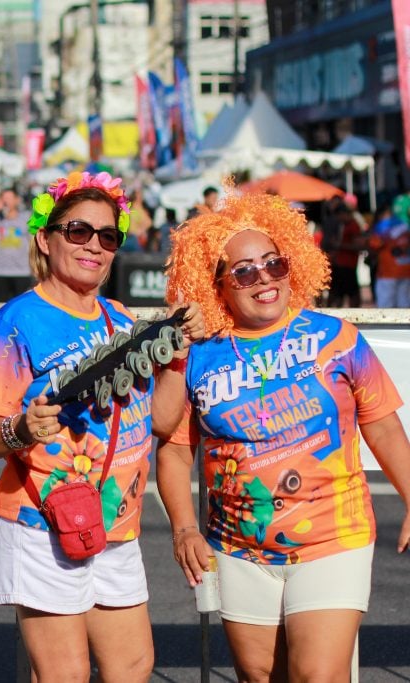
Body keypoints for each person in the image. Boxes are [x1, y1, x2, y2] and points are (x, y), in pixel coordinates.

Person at [157, 190, 410, 681]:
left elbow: (381, 423)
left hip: (333, 537)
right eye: (245, 271)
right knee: (259, 677)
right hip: (236, 548)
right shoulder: (199, 355)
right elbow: (174, 449)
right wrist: (184, 528)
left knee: (317, 675)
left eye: (274, 264)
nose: (264, 279)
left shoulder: (338, 338)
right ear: (218, 286)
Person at [0, 170, 204, 681]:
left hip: (116, 523)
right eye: (78, 231)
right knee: (64, 674)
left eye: (108, 235)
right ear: (45, 240)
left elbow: (160, 420)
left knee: (134, 666)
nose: (95, 245)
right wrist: (21, 430)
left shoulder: (120, 319)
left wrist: (178, 359)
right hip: (42, 520)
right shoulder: (17, 321)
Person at [0, 188, 33, 302]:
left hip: (21, 271)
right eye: (3, 198)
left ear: (16, 200)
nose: (6, 201)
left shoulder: (25, 218)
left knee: (21, 305)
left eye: (9, 198)